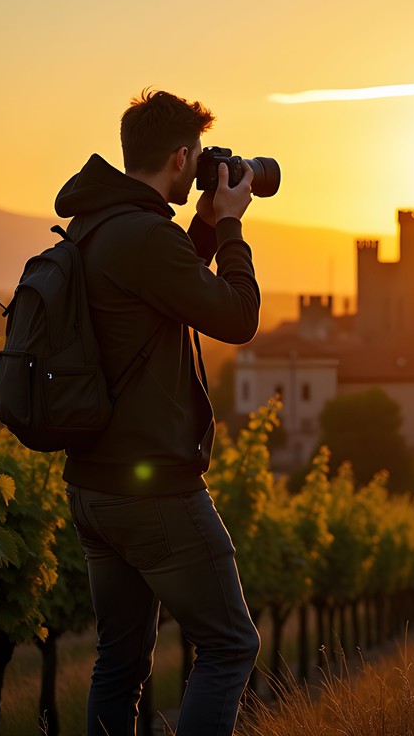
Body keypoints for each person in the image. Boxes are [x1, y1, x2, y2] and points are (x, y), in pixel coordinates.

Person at [56, 89, 262, 735]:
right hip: (154, 488)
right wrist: (230, 225)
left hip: (93, 485)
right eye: (197, 155)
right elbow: (237, 317)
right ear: (180, 156)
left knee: (119, 662)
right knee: (231, 644)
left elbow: (166, 289)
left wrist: (199, 227)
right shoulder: (144, 236)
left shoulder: (98, 225)